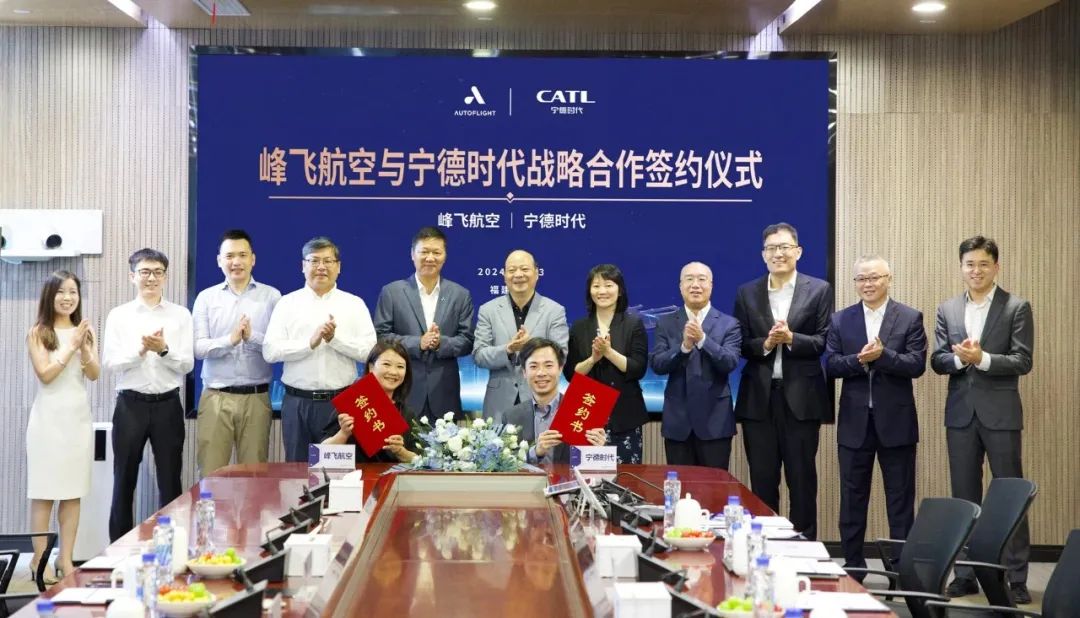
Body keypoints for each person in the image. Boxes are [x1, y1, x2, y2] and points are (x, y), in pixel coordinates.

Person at [931, 236, 1034, 604]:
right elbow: (938, 360)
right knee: (964, 497)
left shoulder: (1016, 307)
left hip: (1001, 414)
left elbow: (1023, 360)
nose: (976, 271)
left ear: (996, 267)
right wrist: (962, 359)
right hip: (960, 416)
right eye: (969, 264)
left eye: (983, 264)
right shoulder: (947, 308)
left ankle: (1016, 577)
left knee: (1010, 496)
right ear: (961, 267)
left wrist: (983, 359)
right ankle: (965, 574)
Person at [824, 255, 926, 575]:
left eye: (874, 277)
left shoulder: (909, 317)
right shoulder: (840, 320)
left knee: (900, 500)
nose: (868, 284)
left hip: (896, 424)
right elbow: (830, 365)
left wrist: (884, 356)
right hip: (854, 425)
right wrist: (859, 359)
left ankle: (900, 569)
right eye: (861, 279)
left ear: (888, 279)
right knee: (852, 498)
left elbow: (916, 364)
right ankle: (854, 565)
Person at [732, 222, 831, 540]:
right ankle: (764, 546)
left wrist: (791, 339)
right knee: (762, 481)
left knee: (802, 481)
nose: (779, 253)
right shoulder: (747, 292)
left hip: (802, 400)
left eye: (785, 247)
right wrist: (766, 343)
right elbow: (740, 344)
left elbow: (823, 341)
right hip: (759, 400)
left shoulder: (818, 290)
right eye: (772, 248)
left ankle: (805, 548)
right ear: (763, 255)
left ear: (798, 252)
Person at [103, 249, 194, 542]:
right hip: (130, 405)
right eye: (145, 272)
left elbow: (187, 364)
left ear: (165, 276)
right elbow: (111, 363)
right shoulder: (119, 315)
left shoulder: (180, 315)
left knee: (170, 481)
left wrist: (163, 350)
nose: (151, 278)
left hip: (168, 404)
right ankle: (118, 549)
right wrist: (141, 351)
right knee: (123, 480)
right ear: (133, 276)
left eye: (157, 272)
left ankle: (172, 547)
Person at [263, 237, 376, 462]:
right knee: (298, 471)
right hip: (297, 403)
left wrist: (335, 340)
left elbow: (370, 352)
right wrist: (309, 344)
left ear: (338, 266)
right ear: (303, 266)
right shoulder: (287, 304)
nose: (321, 267)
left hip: (341, 403)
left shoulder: (354, 304)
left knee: (337, 472)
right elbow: (270, 351)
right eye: (314, 261)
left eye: (328, 261)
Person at [25, 270, 100, 582]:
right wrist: (71, 347)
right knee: (44, 493)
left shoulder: (85, 331)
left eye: (73, 292)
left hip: (77, 421)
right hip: (47, 421)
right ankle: (39, 560)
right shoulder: (39, 332)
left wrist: (85, 349)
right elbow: (45, 375)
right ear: (50, 295)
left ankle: (65, 559)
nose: (68, 298)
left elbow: (94, 374)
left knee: (72, 493)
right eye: (61, 292)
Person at [192, 229, 281, 476]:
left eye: (242, 255)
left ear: (253, 259)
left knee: (254, 475)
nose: (236, 262)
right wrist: (229, 341)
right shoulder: (206, 298)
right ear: (219, 260)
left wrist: (251, 338)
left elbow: (277, 347)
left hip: (256, 398)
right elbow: (198, 348)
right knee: (211, 475)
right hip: (216, 397)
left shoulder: (272, 297)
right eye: (229, 256)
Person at [374, 227, 474, 419]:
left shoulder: (460, 295)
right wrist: (418, 343)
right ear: (413, 254)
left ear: (445, 256)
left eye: (436, 252)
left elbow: (468, 341)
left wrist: (439, 343)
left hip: (445, 393)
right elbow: (381, 337)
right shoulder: (392, 292)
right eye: (424, 252)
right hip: (403, 390)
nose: (430, 258)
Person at [649, 261, 742, 469]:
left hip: (715, 422)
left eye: (701, 279)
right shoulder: (666, 322)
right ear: (680, 286)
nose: (695, 285)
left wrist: (702, 340)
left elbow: (730, 362)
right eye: (689, 279)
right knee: (680, 484)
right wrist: (683, 347)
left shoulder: (729, 323)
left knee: (715, 486)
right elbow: (657, 364)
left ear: (711, 285)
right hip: (678, 423)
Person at [564, 264, 648, 464]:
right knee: (585, 473)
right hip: (586, 411)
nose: (602, 291)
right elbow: (571, 374)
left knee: (625, 475)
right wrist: (593, 359)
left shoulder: (633, 324)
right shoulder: (579, 327)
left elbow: (638, 368)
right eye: (596, 286)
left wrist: (609, 353)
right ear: (589, 291)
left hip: (624, 414)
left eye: (608, 285)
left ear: (620, 290)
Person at [473, 249, 568, 417]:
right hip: (499, 404)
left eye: (524, 269)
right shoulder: (488, 310)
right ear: (504, 276)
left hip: (541, 399)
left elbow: (561, 354)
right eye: (512, 270)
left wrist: (532, 347)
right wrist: (508, 349)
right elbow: (479, 355)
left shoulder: (554, 311)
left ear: (536, 273)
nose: (518, 274)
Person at [498, 337, 606, 464]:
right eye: (533, 366)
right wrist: (535, 452)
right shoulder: (511, 416)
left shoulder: (583, 409)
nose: (541, 373)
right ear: (524, 372)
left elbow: (594, 465)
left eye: (548, 365)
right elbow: (505, 463)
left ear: (560, 369)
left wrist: (599, 450)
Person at [322, 339, 419, 463]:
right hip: (354, 474)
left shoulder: (407, 413)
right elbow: (322, 453)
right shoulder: (353, 402)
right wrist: (343, 434)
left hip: (392, 475)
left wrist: (400, 451)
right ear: (371, 367)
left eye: (400, 366)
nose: (393, 372)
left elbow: (419, 460)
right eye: (387, 364)